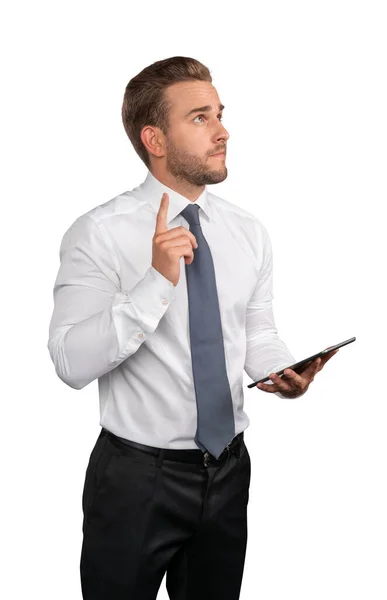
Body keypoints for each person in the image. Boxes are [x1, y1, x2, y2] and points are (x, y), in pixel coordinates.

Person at [47, 56, 339, 600]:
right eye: (200, 118)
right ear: (154, 139)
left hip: (229, 470)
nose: (224, 131)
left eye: (220, 114)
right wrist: (155, 283)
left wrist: (279, 369)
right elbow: (69, 363)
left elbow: (255, 331)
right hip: (137, 478)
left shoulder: (248, 232)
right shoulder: (98, 234)